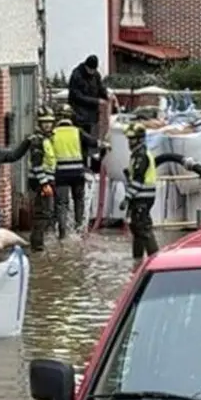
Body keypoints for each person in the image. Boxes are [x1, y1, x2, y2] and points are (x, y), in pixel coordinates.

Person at [51, 104, 106, 237]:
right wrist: (106, 144)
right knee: (79, 200)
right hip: (77, 173)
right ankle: (79, 229)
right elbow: (94, 142)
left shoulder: (52, 133)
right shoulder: (77, 131)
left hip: (60, 174)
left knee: (62, 203)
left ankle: (62, 233)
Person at [120, 123, 159, 260]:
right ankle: (137, 261)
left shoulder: (141, 156)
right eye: (129, 139)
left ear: (140, 139)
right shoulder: (137, 155)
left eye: (133, 139)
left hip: (142, 197)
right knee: (136, 228)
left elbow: (138, 179)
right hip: (140, 197)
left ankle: (155, 260)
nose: (130, 142)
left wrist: (127, 198)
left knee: (144, 229)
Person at [27, 108, 58, 252]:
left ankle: (38, 244)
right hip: (41, 183)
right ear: (39, 123)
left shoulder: (46, 139)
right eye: (44, 123)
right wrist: (44, 184)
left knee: (46, 214)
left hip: (45, 181)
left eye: (49, 123)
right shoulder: (38, 140)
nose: (47, 125)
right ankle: (37, 247)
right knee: (42, 215)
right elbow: (37, 165)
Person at [67, 54, 115, 137]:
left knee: (92, 138)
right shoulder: (76, 75)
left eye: (94, 70)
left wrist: (107, 95)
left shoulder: (96, 75)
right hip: (79, 114)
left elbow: (100, 87)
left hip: (92, 115)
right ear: (86, 66)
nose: (92, 72)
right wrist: (96, 101)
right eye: (90, 70)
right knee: (82, 138)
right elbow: (76, 96)